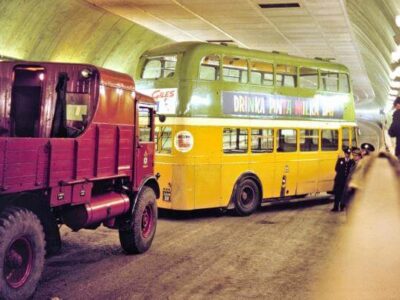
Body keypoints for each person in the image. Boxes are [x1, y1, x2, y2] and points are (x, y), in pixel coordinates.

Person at [331, 146, 355, 212]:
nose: (347, 155)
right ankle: (335, 207)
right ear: (345, 154)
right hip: (339, 180)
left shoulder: (351, 162)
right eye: (346, 153)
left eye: (349, 154)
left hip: (346, 181)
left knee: (343, 194)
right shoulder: (340, 160)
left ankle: (342, 206)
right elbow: (336, 169)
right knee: (337, 193)